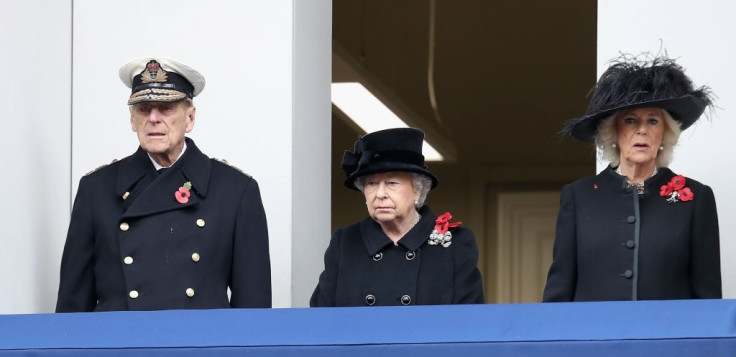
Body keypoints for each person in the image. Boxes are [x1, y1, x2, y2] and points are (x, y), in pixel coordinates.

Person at [56, 57, 271, 311]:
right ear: (132, 119)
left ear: (189, 118)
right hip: (119, 347)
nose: (154, 118)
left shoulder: (236, 191)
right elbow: (72, 311)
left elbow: (252, 313)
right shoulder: (96, 190)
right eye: (144, 108)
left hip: (198, 346)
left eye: (166, 108)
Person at [543, 54, 721, 302]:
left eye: (653, 121)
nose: (642, 130)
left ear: (664, 133)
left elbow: (708, 300)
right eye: (630, 120)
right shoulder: (579, 196)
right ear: (613, 131)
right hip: (595, 338)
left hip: (667, 337)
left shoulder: (697, 198)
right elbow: (559, 293)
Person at [310, 127, 484, 307]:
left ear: (418, 189)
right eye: (372, 183)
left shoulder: (456, 243)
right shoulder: (345, 242)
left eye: (392, 183)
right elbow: (320, 319)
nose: (380, 194)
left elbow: (469, 321)